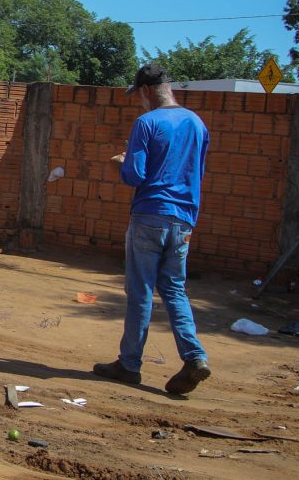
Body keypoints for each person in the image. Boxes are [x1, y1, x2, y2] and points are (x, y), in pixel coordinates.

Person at [94, 63, 211, 395]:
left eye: (139, 96)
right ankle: (194, 356)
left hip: (150, 215)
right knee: (174, 290)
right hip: (184, 219)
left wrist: (121, 162)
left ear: (146, 91)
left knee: (141, 291)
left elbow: (134, 175)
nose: (139, 103)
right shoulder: (197, 123)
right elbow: (195, 172)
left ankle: (129, 364)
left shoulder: (146, 123)